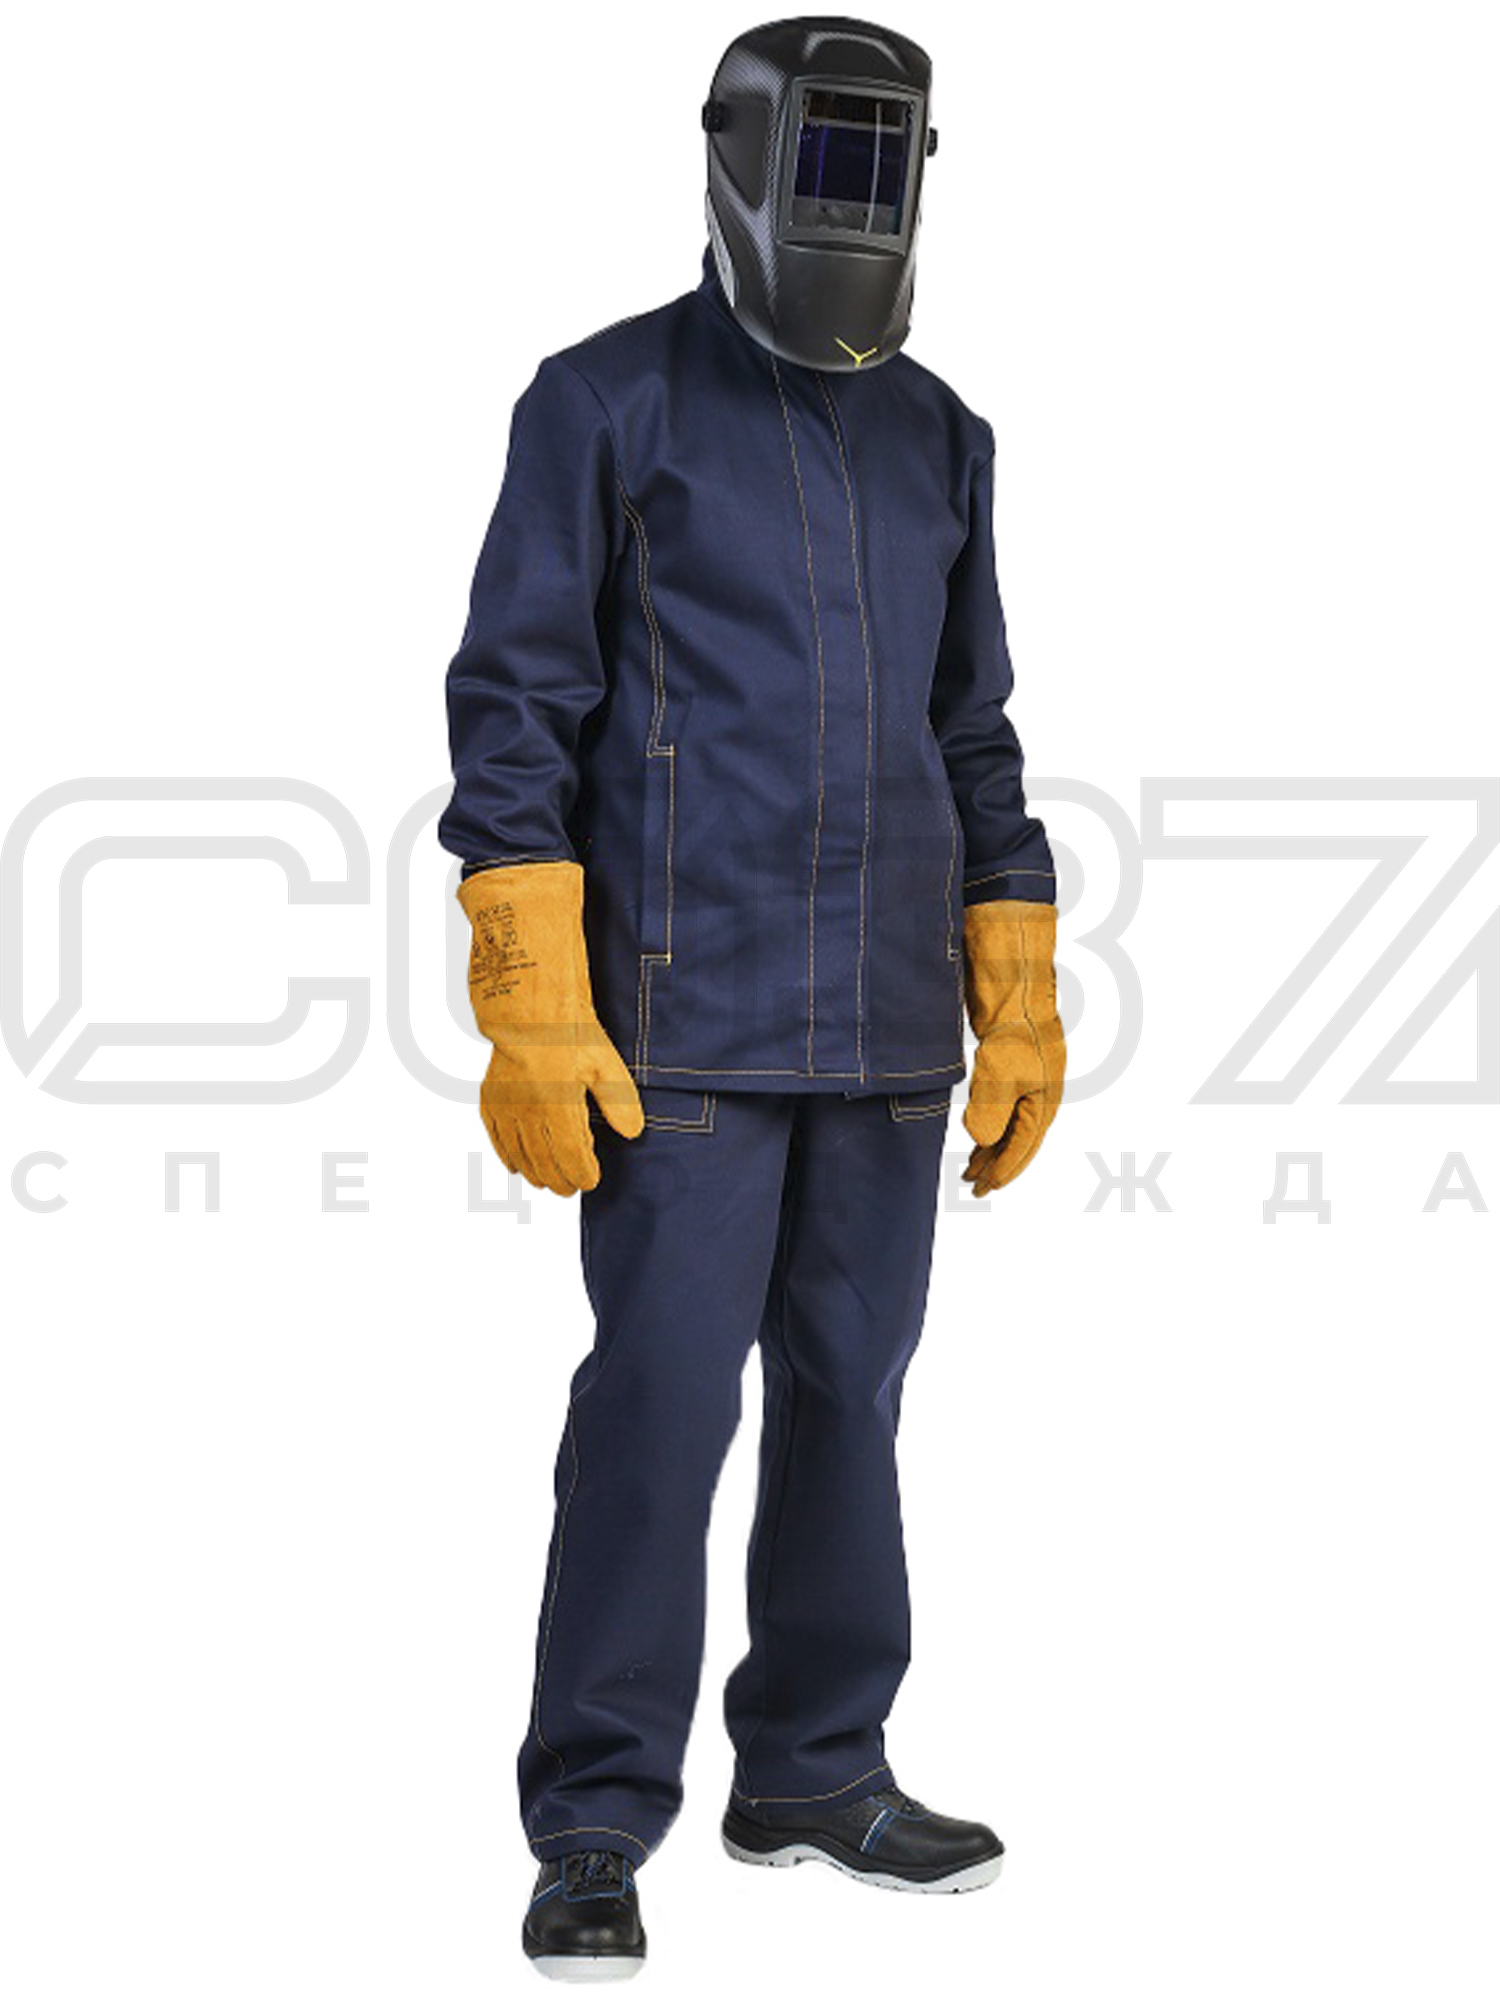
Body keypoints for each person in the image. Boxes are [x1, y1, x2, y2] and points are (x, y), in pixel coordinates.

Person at [438, 16, 1066, 1980]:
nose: (850, 203)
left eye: (883, 161)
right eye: (825, 156)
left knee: (852, 1396)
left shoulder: (943, 436)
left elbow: (975, 730)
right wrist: (533, 997)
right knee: (657, 1400)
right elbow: (514, 707)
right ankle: (593, 1817)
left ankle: (814, 1763)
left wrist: (1017, 983)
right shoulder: (604, 401)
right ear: (737, 154)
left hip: (885, 1023)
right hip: (677, 1016)